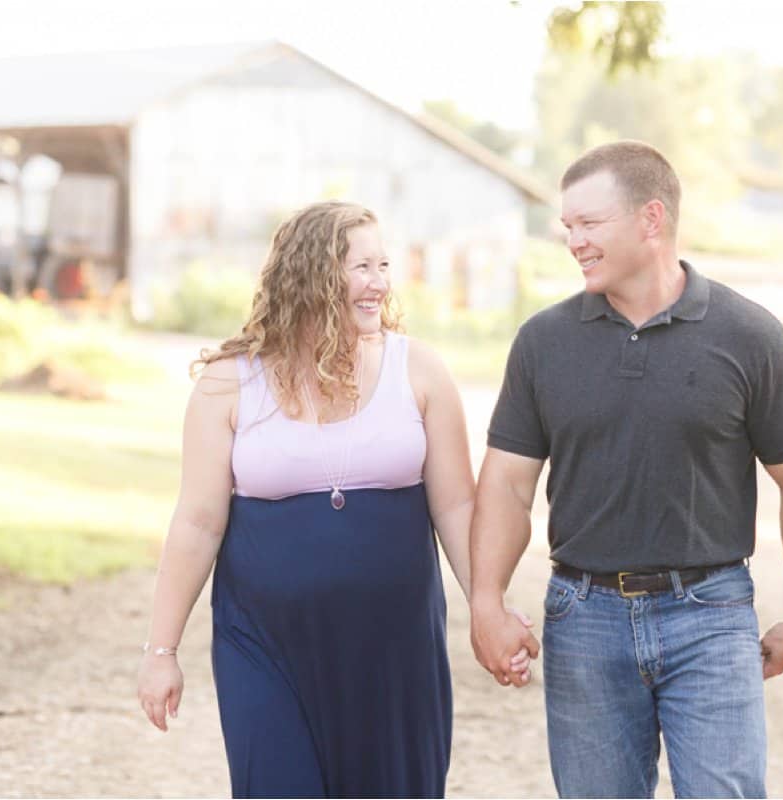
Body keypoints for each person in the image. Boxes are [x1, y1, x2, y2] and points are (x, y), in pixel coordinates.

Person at [469, 141, 783, 798]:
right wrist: (485, 601)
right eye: (567, 225)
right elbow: (506, 483)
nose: (572, 240)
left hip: (712, 615)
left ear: (650, 219)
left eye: (588, 223)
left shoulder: (749, 335)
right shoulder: (544, 342)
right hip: (582, 617)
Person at [136, 201, 530, 798]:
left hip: (395, 649)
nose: (380, 283)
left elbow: (456, 508)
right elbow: (196, 522)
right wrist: (161, 650)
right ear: (310, 275)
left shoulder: (419, 371)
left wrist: (488, 607)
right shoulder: (228, 382)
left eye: (383, 265)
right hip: (264, 646)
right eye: (361, 267)